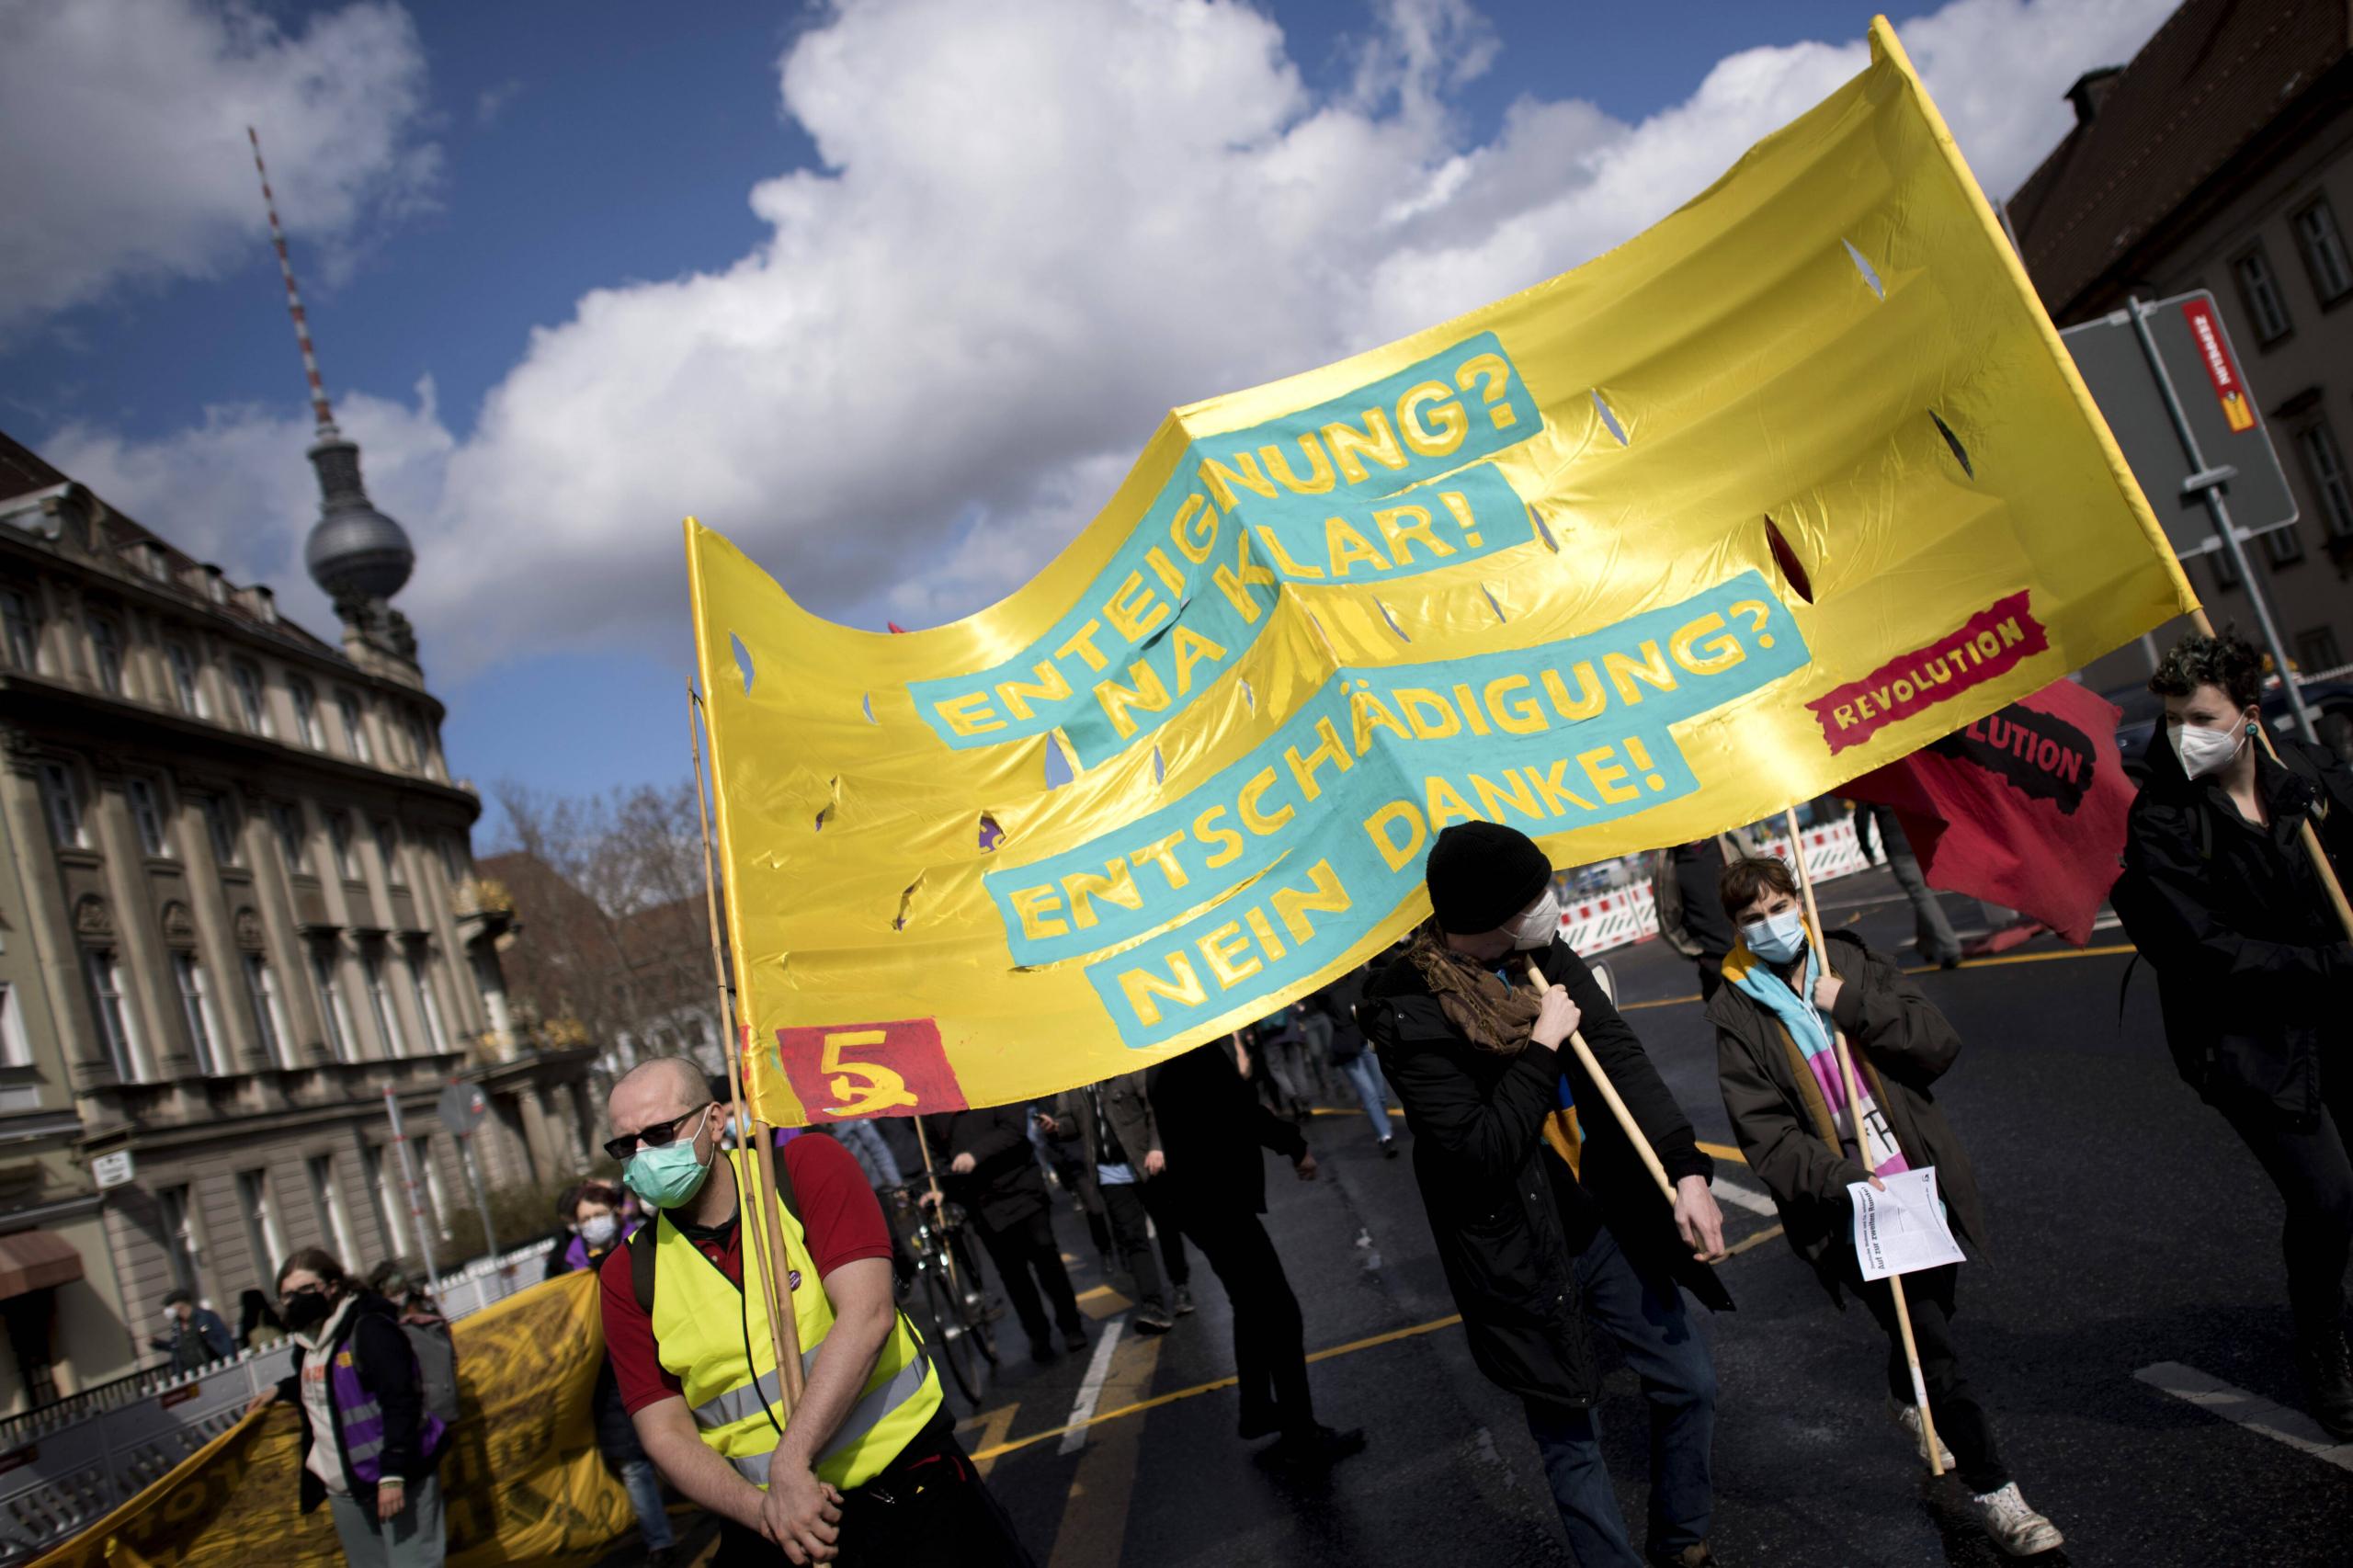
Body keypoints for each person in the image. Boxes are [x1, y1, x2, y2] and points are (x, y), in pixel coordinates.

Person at [1360, 822, 1730, 1568]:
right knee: (1571, 1436)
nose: (1548, 905)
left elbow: (1619, 1052)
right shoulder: (1407, 1004)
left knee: (1688, 1382)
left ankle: (1681, 1536)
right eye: (1531, 897)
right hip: (1514, 1250)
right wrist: (1542, 1047)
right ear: (1486, 917)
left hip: (1599, 1218)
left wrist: (1685, 1170)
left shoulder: (1539, 955)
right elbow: (1477, 1152)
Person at [1709, 854, 2063, 1556]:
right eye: (1753, 919)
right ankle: (1999, 1495)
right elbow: (1766, 1137)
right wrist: (1840, 1179)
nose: (1772, 925)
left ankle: (1907, 1395)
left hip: (1918, 1178)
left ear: (1798, 904)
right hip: (1852, 1207)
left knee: (1933, 1318)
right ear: (1737, 930)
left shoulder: (1849, 962)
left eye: (1781, 908)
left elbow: (1937, 1045)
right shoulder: (1734, 1007)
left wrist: (1853, 1006)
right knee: (1934, 1345)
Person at [600, 1059, 1032, 1566]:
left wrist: (791, 1463)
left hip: (910, 1492)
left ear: (714, 1122)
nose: (643, 1155)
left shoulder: (807, 1168)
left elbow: (868, 1315)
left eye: (657, 1133)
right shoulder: (627, 1273)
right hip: (772, 1528)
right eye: (625, 1146)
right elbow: (664, 1432)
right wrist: (770, 1511)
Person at [2110, 631, 2353, 1439]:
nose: (2186, 735)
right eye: (2174, 719)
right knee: (2326, 1195)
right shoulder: (2163, 823)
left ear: (2249, 716)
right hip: (2247, 1042)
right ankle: (2324, 1346)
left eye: (2203, 717)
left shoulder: (2308, 776)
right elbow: (2210, 953)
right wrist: (2335, 960)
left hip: (2337, 1014)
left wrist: (2310, 817)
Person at [1148, 1036, 1363, 1471]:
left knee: (1250, 1307)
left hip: (1201, 1203)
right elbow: (1241, 1112)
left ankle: (1259, 1410)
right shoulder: (1194, 1054)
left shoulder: (1167, 1058)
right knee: (1280, 1314)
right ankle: (1301, 1435)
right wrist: (1295, 1145)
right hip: (1218, 1204)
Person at [249, 1248, 449, 1567]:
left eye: (306, 1289)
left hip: (396, 1476)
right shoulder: (307, 1344)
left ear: (332, 1287)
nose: (296, 1300)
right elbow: (330, 1382)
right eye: (287, 1295)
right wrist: (282, 1389)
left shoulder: (369, 1329)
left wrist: (393, 1472)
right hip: (346, 1488)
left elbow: (401, 1398)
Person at [547, 1180, 680, 1564]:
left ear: (615, 1212)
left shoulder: (645, 1241)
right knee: (633, 1462)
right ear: (574, 1225)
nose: (594, 1223)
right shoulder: (565, 1264)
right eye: (585, 1218)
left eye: (599, 1214)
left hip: (658, 1355)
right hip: (607, 1375)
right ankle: (661, 1543)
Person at [927, 1105, 1088, 1365]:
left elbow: (1014, 1129)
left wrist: (974, 1155)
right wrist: (941, 1190)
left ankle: (1071, 1326)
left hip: (1022, 1188)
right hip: (984, 1204)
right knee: (1014, 1277)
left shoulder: (992, 1087)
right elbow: (938, 1157)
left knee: (1047, 1260)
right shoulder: (934, 1113)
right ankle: (1038, 1335)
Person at [1042, 1072, 1184, 1333]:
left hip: (1144, 1163)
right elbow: (1070, 1121)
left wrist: (1156, 1147)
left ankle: (1180, 1284)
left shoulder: (1127, 1068)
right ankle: (1154, 1306)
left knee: (1167, 1227)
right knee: (1134, 1238)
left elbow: (1153, 1105)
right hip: (1110, 1173)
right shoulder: (1073, 1082)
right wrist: (1057, 1127)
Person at [1854, 803, 1963, 968]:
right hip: (1919, 842)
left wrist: (1867, 851)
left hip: (1898, 849)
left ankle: (1951, 949)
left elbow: (1861, 822)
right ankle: (1926, 946)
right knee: (1922, 896)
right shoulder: (1898, 777)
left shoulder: (1867, 784)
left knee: (1921, 897)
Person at [1651, 834, 1754, 1000]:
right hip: (1714, 961)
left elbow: (1759, 877)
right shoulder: (1667, 862)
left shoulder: (1727, 840)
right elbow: (1667, 917)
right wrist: (1697, 953)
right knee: (1733, 1020)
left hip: (1751, 945)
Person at [1319, 968, 1401, 1156]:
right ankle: (1385, 1137)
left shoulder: (1357, 975)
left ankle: (1384, 1126)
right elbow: (1313, 998)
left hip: (1368, 1039)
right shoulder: (1326, 989)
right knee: (1369, 1093)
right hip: (1348, 1047)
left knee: (1380, 1091)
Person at [151, 1288, 234, 1373]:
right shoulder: (177, 1325)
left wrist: (230, 1360)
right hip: (191, 1373)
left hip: (213, 1369)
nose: (167, 1310)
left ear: (179, 1304)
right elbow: (177, 1347)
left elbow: (222, 1337)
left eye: (169, 1305)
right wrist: (157, 1344)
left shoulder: (205, 1317)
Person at [236, 1287, 285, 1353]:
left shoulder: (245, 1320)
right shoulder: (268, 1313)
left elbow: (244, 1342)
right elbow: (282, 1328)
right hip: (278, 1347)